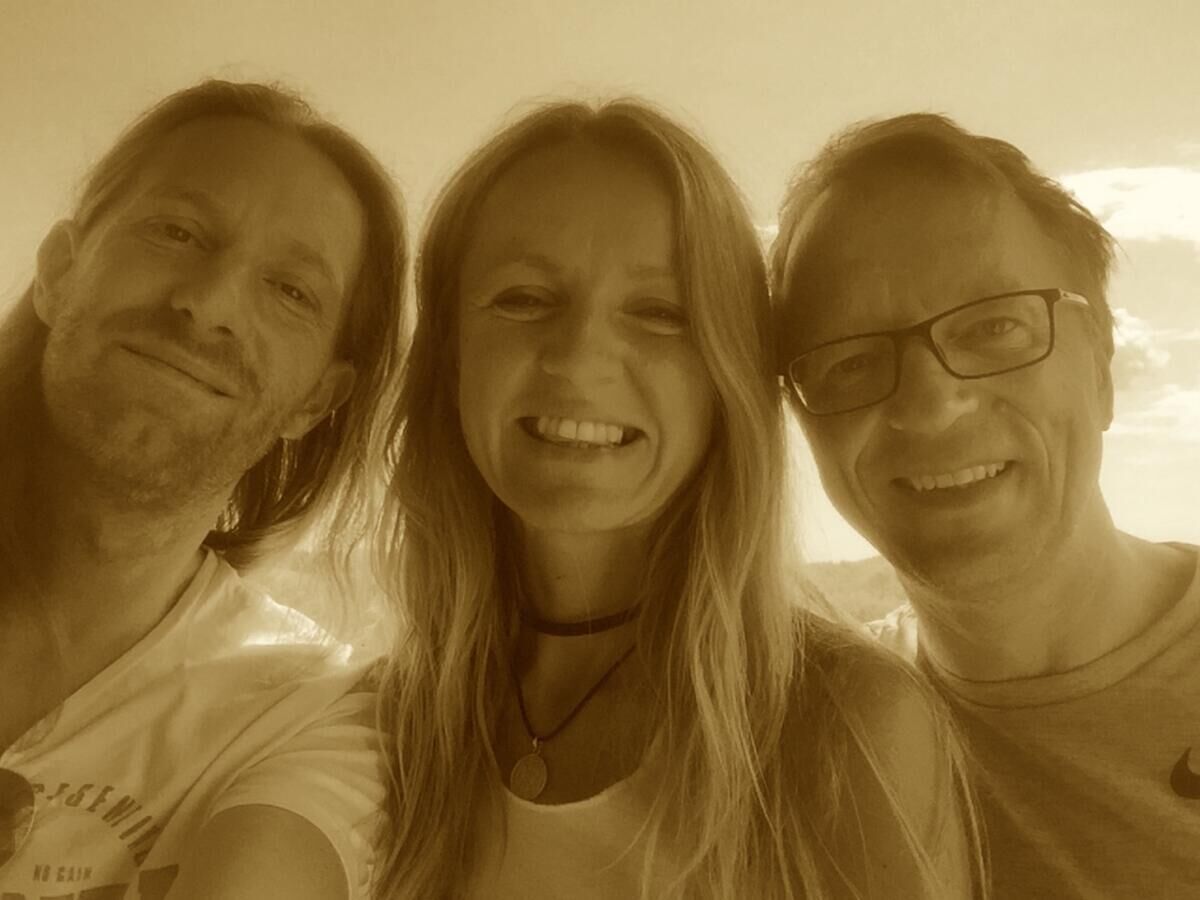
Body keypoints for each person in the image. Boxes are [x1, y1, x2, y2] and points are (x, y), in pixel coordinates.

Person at [370, 99, 982, 899]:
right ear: (450, 356)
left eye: (660, 313)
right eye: (523, 298)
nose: (579, 358)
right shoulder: (390, 725)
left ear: (725, 381)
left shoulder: (843, 724)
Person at [771, 113, 1200, 897]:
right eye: (851, 361)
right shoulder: (809, 748)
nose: (931, 405)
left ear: (1100, 366)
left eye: (994, 326)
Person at [0, 80, 406, 899]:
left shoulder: (304, 711)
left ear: (317, 398)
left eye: (290, 291)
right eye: (177, 232)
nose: (208, 304)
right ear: (59, 270)